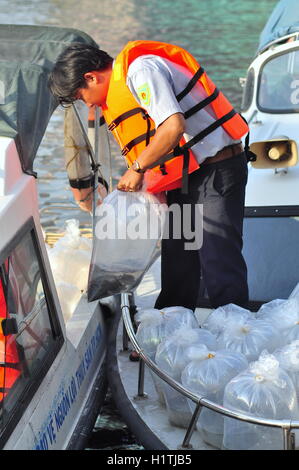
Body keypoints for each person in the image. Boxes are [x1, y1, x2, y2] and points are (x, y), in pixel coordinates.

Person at [48, 40, 249, 316]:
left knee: (218, 258)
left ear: (91, 77)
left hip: (216, 170)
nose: (87, 104)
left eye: (81, 97)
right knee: (179, 260)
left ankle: (237, 336)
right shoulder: (124, 85)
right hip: (186, 176)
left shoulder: (141, 71)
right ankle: (170, 328)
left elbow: (173, 126)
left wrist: (138, 168)